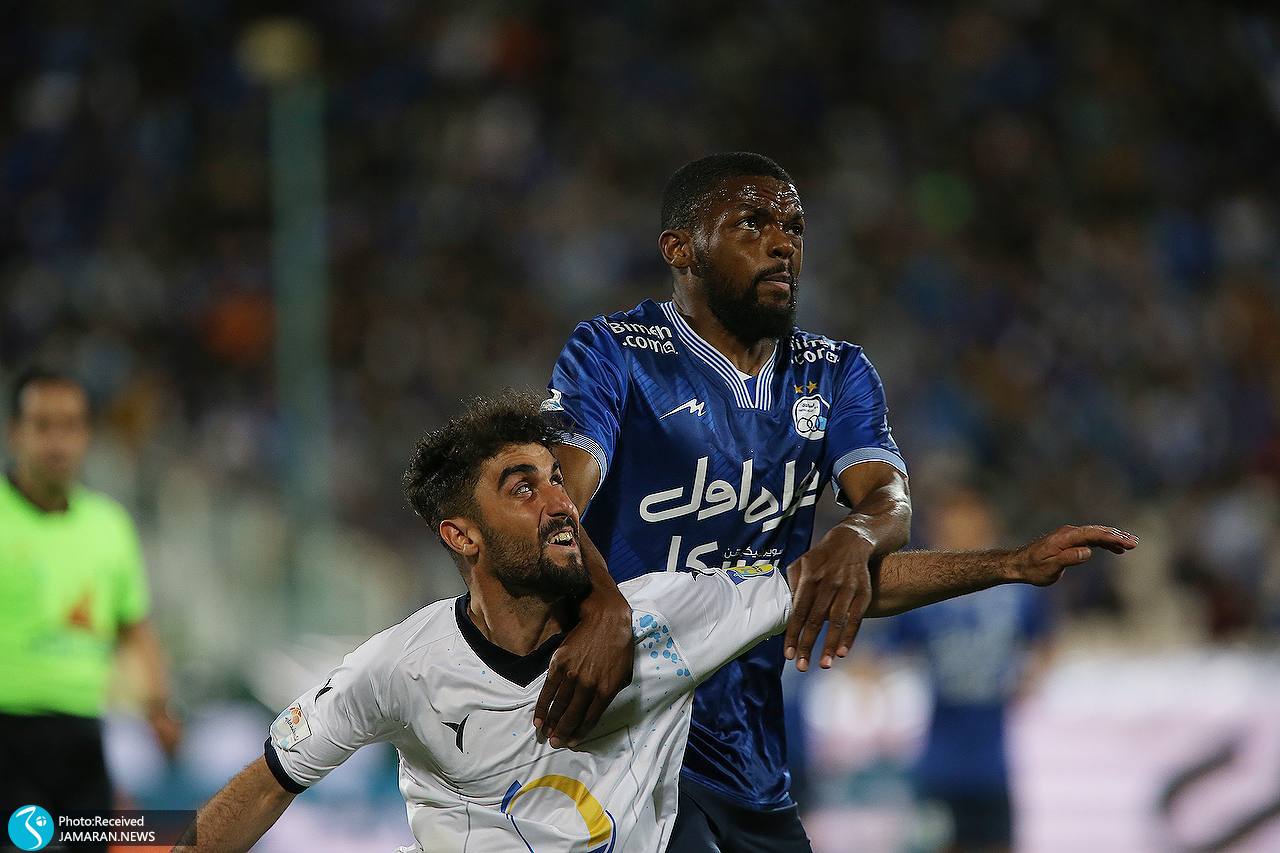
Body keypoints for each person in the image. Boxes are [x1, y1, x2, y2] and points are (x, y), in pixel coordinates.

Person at [535, 151, 1140, 850]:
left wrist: (970, 556)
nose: (782, 243)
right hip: (628, 737)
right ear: (681, 249)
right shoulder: (613, 352)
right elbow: (552, 503)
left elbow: (885, 505)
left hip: (752, 758)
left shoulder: (836, 371)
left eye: (794, 227)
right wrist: (603, 606)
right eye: (752, 223)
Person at [179, 393, 795, 852]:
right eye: (523, 489)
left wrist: (848, 534)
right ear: (461, 536)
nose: (561, 503)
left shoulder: (666, 618)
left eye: (557, 480)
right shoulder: (400, 667)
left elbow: (821, 585)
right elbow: (269, 783)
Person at [0, 368, 181, 835]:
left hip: (84, 739)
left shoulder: (109, 526)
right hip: (8, 736)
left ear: (86, 436)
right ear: (14, 432)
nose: (57, 443)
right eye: (42, 426)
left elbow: (132, 626)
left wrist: (158, 710)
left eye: (70, 426)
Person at [881, 489, 1055, 853]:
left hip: (991, 762)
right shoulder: (923, 594)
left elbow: (1045, 639)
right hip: (940, 762)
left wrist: (1030, 677)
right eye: (951, 528)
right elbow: (886, 653)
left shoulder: (1016, 592)